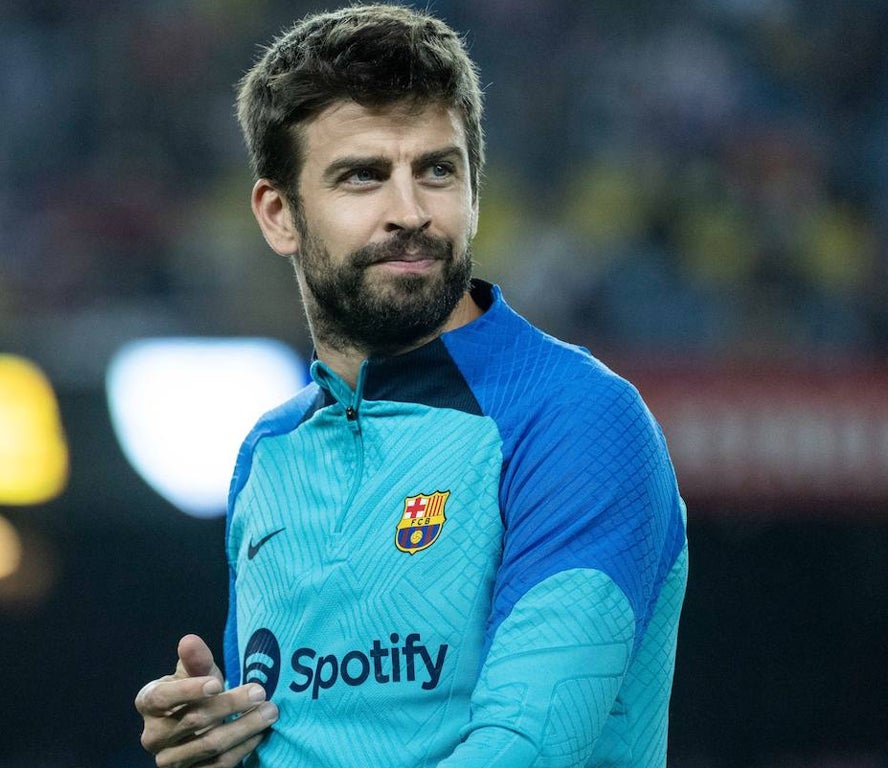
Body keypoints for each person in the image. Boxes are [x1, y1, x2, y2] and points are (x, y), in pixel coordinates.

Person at [134, 5, 688, 767]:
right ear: (279, 215)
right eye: (363, 176)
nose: (410, 212)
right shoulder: (270, 452)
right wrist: (214, 747)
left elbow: (528, 749)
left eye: (437, 170)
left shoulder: (574, 416)